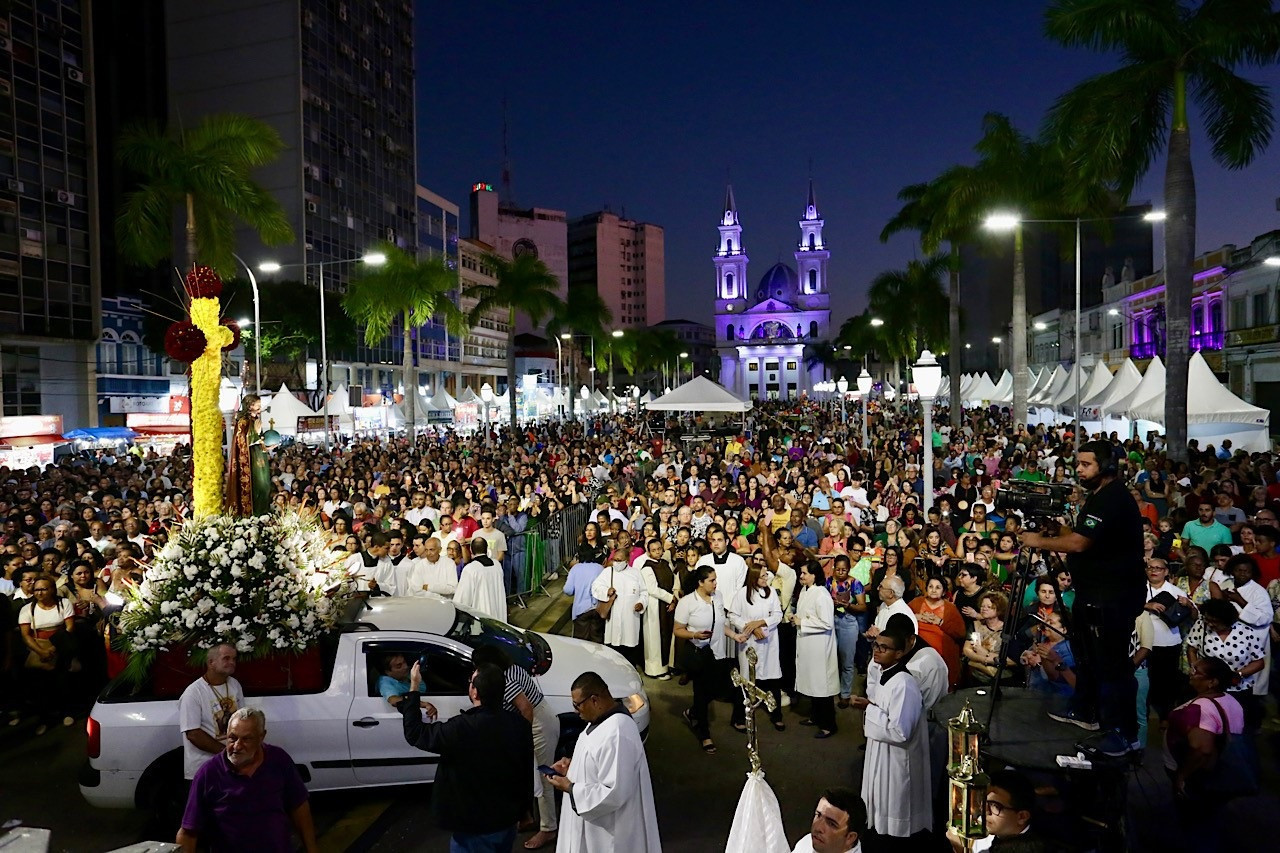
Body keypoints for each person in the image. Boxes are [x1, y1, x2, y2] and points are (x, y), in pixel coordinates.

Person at [1019, 440, 1145, 756]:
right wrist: (1056, 531)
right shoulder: (1099, 497)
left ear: (1106, 466)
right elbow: (1082, 539)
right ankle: (1085, 711)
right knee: (1088, 657)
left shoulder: (1112, 499)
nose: (1079, 470)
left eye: (1085, 464)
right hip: (1094, 597)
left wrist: (1035, 540)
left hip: (1112, 599)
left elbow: (1079, 544)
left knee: (1113, 667)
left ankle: (1123, 735)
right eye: (1078, 464)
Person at [399, 661, 533, 852]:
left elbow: (415, 733)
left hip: (474, 830)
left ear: (475, 692)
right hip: (506, 822)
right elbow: (526, 770)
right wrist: (525, 811)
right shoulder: (519, 724)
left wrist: (413, 688)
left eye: (471, 681)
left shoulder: (461, 728)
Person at [546, 671, 661, 853]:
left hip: (607, 836)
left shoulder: (617, 733)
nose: (576, 711)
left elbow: (613, 792)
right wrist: (573, 766)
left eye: (577, 705)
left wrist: (570, 787)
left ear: (594, 700)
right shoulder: (600, 719)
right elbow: (597, 760)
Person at [177, 708, 317, 853]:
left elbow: (299, 807)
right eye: (232, 738)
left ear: (261, 737)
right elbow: (188, 832)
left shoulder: (279, 760)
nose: (237, 746)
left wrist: (312, 849)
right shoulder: (208, 773)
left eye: (246, 739)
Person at [471, 646, 560, 851]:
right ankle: (527, 817)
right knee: (526, 775)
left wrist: (522, 736)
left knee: (544, 776)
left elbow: (526, 709)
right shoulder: (510, 668)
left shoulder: (506, 679)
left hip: (539, 723)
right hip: (538, 718)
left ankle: (549, 828)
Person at [852, 621, 931, 844]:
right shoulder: (884, 674)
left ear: (899, 653)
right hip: (880, 750)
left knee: (895, 804)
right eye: (876, 646)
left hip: (897, 758)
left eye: (884, 648)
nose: (877, 651)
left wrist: (868, 709)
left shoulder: (904, 684)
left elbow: (900, 731)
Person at [1164, 656, 1247, 802]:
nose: (1191, 672)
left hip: (1197, 774)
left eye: (1196, 671)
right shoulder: (1231, 699)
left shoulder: (1201, 709)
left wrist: (1182, 776)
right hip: (1222, 771)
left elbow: (1203, 749)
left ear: (1212, 682)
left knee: (1193, 812)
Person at [673, 564, 733, 753]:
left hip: (717, 652)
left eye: (716, 580)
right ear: (700, 582)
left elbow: (720, 623)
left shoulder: (718, 598)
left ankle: (693, 712)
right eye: (711, 580)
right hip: (699, 653)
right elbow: (677, 630)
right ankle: (704, 734)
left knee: (714, 690)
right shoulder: (687, 603)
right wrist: (694, 635)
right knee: (700, 690)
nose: (715, 584)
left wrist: (735, 635)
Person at [727, 563, 785, 732]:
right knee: (746, 681)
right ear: (753, 577)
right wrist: (750, 628)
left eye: (766, 575)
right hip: (750, 643)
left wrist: (760, 623)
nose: (766, 578)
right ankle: (739, 717)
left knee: (773, 679)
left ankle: (777, 715)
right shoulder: (741, 594)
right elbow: (732, 616)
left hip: (769, 644)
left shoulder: (772, 593)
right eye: (762, 576)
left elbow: (777, 614)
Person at [792, 560, 840, 738]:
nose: (801, 576)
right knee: (812, 683)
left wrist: (802, 622)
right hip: (807, 645)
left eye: (804, 573)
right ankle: (815, 716)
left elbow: (826, 622)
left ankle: (829, 724)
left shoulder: (821, 594)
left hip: (819, 646)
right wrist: (796, 618)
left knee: (821, 686)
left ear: (814, 575)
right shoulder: (805, 591)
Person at [947, 768, 1038, 852]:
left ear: (1022, 817)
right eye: (983, 801)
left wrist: (962, 850)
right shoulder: (989, 825)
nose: (984, 811)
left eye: (994, 805)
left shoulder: (1035, 848)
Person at [591, 549, 647, 667]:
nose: (616, 562)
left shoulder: (636, 573)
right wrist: (607, 591)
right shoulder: (607, 572)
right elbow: (595, 587)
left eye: (619, 560)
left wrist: (641, 603)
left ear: (627, 560)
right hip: (614, 617)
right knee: (614, 646)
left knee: (630, 645)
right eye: (614, 560)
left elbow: (644, 592)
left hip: (631, 618)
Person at [909, 577, 965, 691]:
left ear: (944, 591)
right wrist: (914, 617)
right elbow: (901, 619)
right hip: (916, 654)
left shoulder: (950, 608)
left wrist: (940, 622)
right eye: (931, 587)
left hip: (941, 655)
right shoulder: (916, 603)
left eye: (938, 587)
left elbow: (960, 632)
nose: (934, 590)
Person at [637, 537, 678, 680]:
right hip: (655, 606)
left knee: (667, 637)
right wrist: (670, 598)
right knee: (655, 639)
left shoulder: (666, 564)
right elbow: (652, 589)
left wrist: (674, 598)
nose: (657, 552)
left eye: (659, 549)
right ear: (648, 552)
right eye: (653, 550)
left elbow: (674, 581)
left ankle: (668, 666)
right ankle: (655, 670)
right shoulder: (647, 568)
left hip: (668, 606)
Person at [226, 394, 271, 518]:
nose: (260, 408)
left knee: (264, 486)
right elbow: (241, 441)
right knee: (257, 486)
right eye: (258, 405)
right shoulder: (243, 422)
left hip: (259, 456)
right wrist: (255, 434)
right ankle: (253, 515)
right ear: (250, 406)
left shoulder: (254, 420)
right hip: (250, 460)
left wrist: (266, 445)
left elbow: (258, 440)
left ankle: (263, 513)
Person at [792, 787, 867, 853]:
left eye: (831, 824)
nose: (818, 828)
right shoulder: (807, 842)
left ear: (850, 838)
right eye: (818, 815)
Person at [454, 536, 507, 622]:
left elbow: (462, 598)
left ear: (471, 550)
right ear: (487, 549)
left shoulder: (471, 569)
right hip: (498, 614)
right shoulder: (497, 565)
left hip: (481, 617)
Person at [565, 546, 607, 643]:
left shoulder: (575, 569)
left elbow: (568, 590)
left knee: (581, 643)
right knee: (597, 641)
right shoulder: (600, 568)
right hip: (597, 609)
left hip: (581, 610)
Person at [405, 534, 457, 598]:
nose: (429, 553)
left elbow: (453, 589)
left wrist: (428, 587)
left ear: (439, 550)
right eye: (426, 550)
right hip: (425, 604)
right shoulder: (419, 566)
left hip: (446, 604)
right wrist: (440, 598)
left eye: (431, 550)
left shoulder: (449, 563)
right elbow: (417, 591)